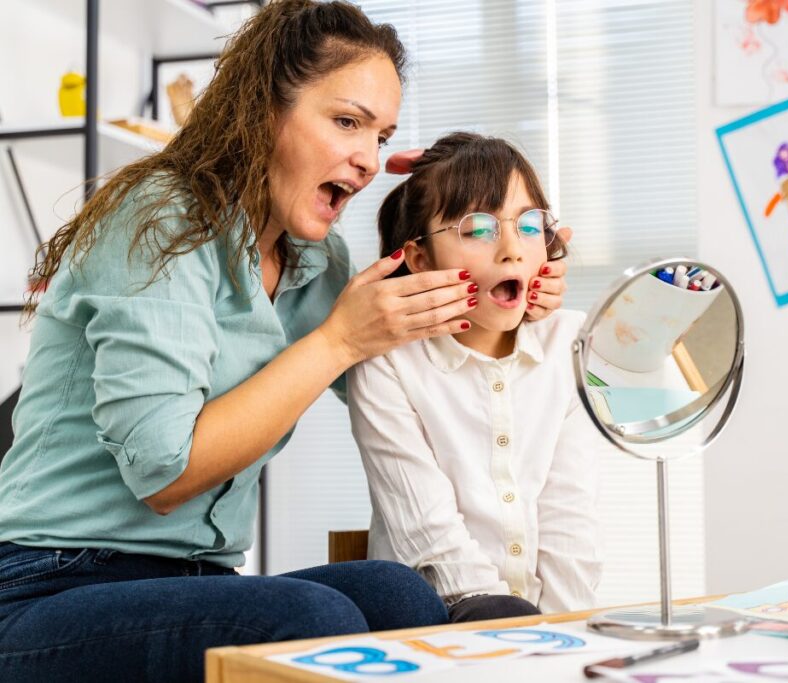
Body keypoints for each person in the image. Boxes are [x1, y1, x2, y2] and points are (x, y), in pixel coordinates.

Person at [0, 3, 568, 681]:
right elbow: (164, 473)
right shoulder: (157, 219)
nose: (367, 159)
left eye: (381, 135)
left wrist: (496, 269)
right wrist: (336, 340)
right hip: (52, 584)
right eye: (347, 121)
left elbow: (408, 384)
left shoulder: (314, 261)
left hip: (198, 578)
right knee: (314, 622)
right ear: (262, 110)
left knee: (401, 596)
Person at [348, 132, 602, 623]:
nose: (510, 249)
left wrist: (567, 634)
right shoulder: (388, 360)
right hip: (429, 622)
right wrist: (513, 632)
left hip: (543, 635)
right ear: (420, 258)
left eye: (528, 225)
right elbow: (426, 530)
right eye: (477, 230)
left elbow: (572, 518)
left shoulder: (570, 343)